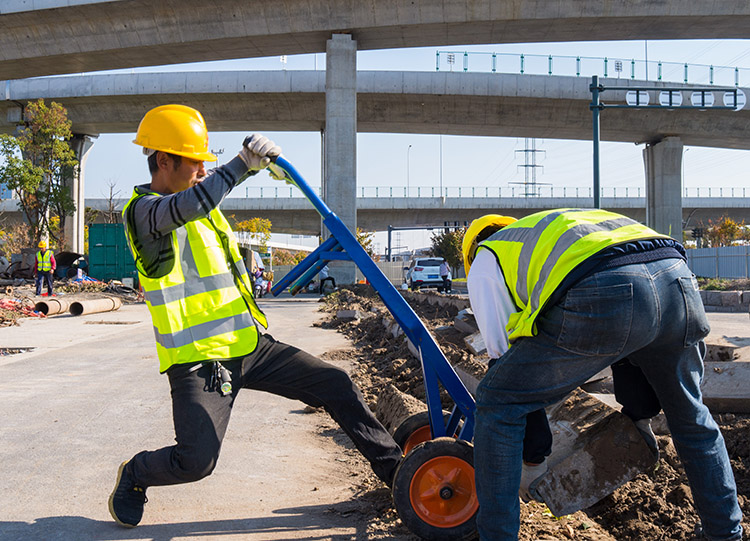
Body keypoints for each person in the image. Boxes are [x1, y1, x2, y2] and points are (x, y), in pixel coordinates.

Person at [109, 104, 402, 528]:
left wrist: (265, 169)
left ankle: (401, 475)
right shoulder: (143, 213)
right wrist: (242, 165)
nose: (203, 171)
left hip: (249, 345)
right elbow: (185, 206)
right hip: (200, 361)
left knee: (334, 384)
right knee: (196, 462)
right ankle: (136, 473)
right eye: (196, 162)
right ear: (163, 160)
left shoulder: (204, 212)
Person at [462, 210, 743, 541]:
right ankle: (725, 533)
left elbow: (504, 357)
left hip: (609, 287)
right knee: (691, 418)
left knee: (497, 400)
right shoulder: (551, 235)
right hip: (676, 278)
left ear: (471, 251)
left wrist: (533, 456)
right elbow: (627, 333)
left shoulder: (487, 255)